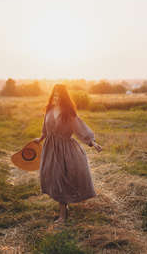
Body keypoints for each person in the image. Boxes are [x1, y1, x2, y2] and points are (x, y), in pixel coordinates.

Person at [34, 84, 102, 223]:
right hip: (50, 149)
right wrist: (40, 139)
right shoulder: (49, 110)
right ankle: (63, 208)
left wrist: (92, 142)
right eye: (54, 95)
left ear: (64, 96)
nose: (56, 97)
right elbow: (45, 130)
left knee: (61, 178)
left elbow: (80, 129)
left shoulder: (69, 113)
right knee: (53, 177)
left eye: (59, 95)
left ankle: (63, 215)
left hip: (65, 150)